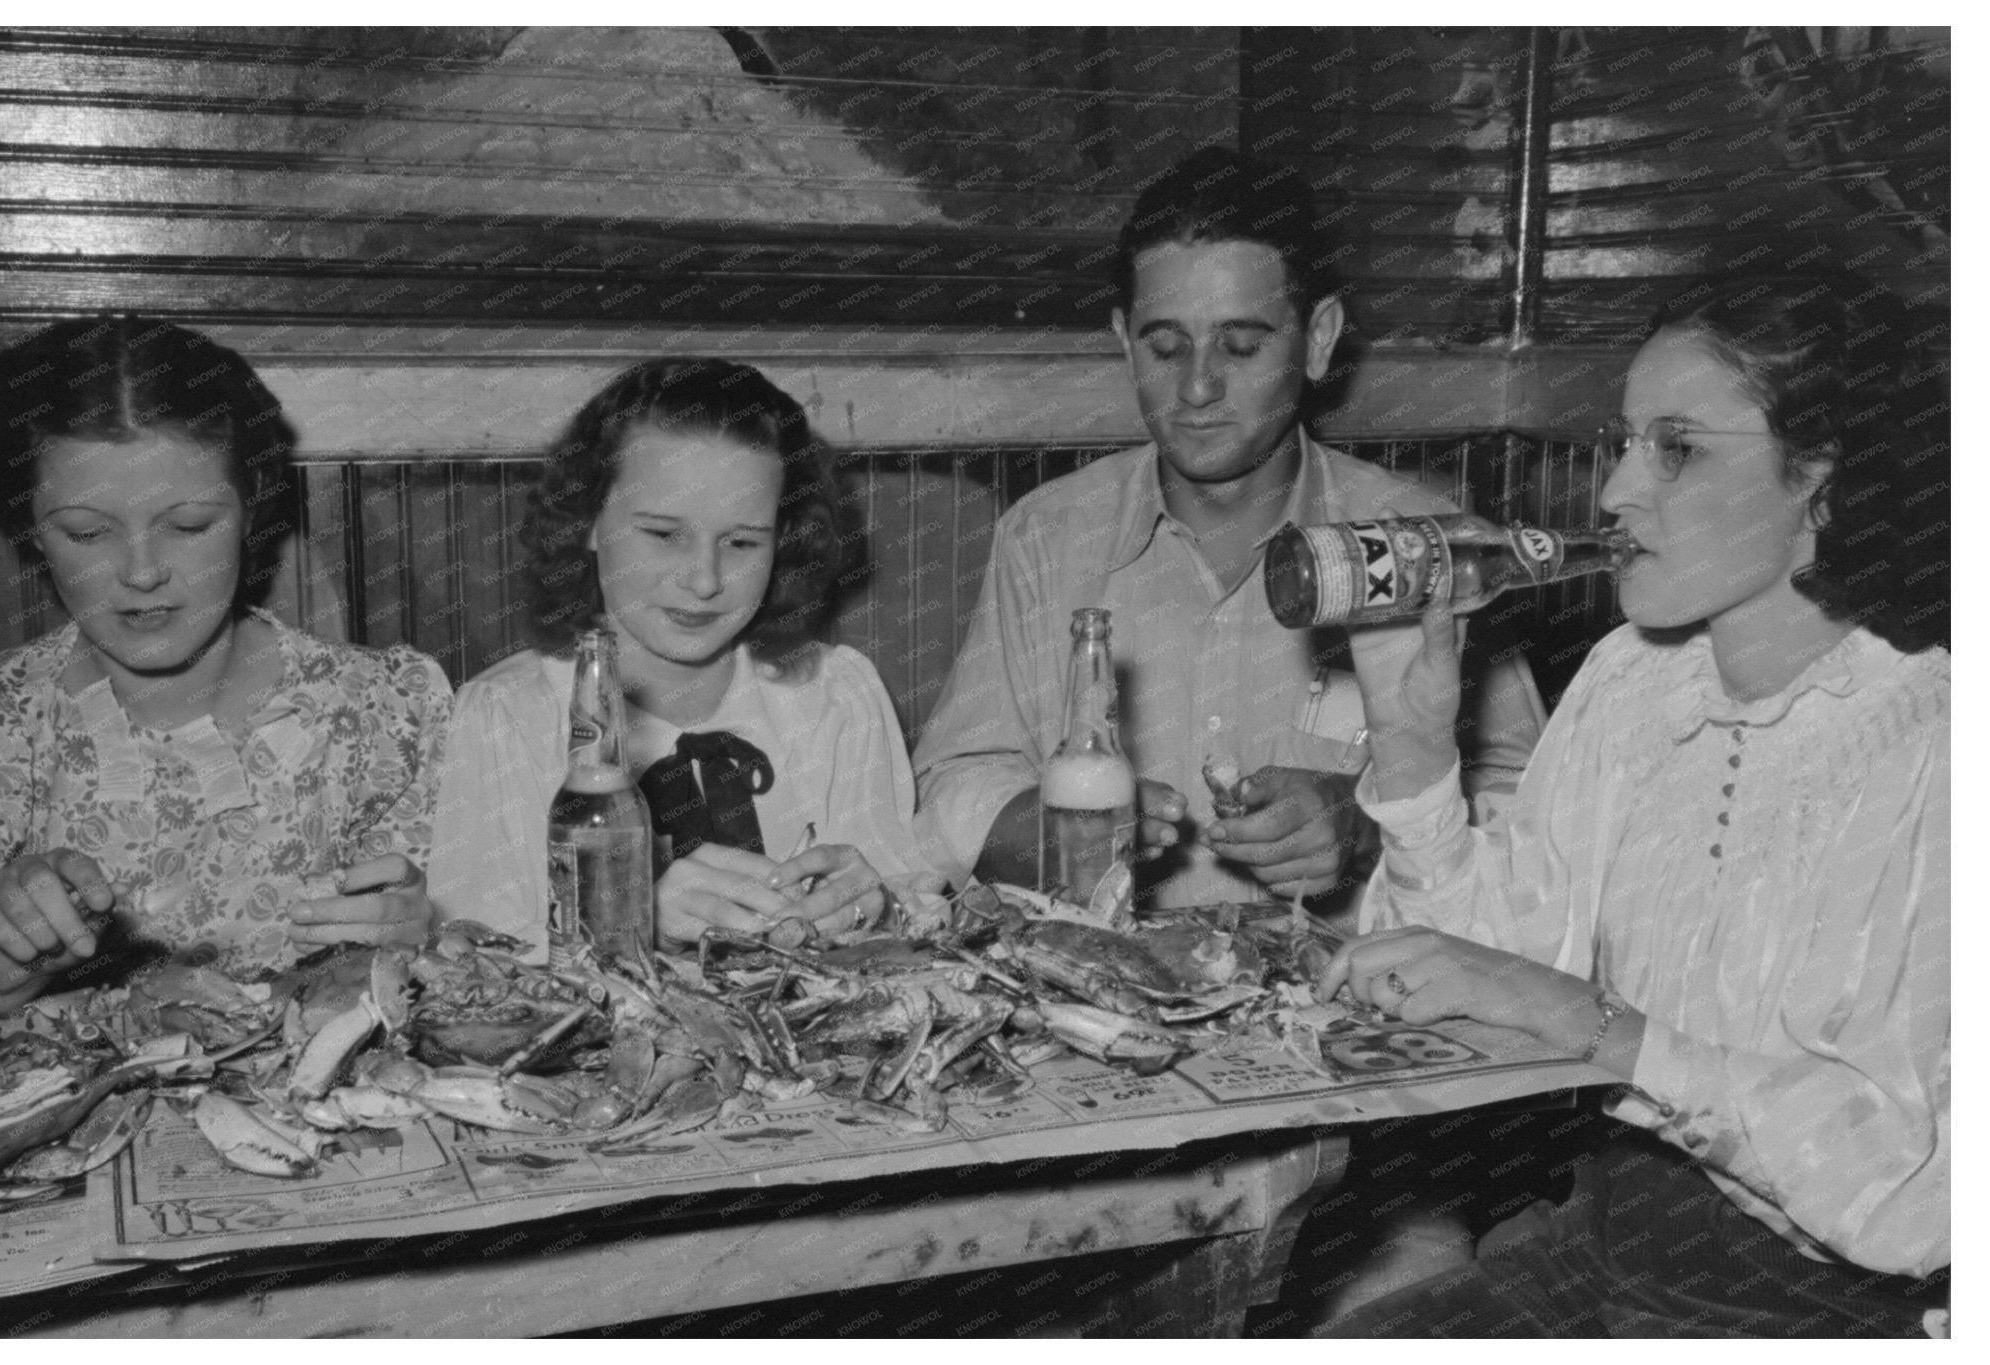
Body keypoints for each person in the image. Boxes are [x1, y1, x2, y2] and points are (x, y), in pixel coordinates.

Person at [1312, 271, 1949, 1337]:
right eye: (1620, 442)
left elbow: (1914, 1193)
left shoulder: (1932, 735)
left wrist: (1596, 1029)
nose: (1611, 492)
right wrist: (1416, 745)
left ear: (1820, 481)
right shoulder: (1632, 676)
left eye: (1676, 448)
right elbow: (1483, 983)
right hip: (1602, 1254)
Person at [914, 148, 1546, 914]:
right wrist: (1053, 831)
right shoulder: (1045, 539)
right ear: (1123, 340)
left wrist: (1370, 818)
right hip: (1101, 998)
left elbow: (1530, 816)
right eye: (1164, 346)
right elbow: (953, 784)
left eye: (1241, 346)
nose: (1198, 387)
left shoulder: (1425, 545)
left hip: (1357, 1009)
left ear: (1317, 340)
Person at [0, 317, 451, 1013]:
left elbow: (497, 962)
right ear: (27, 527)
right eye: (86, 531)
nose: (142, 572)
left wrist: (432, 933)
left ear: (253, 507)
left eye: (190, 524)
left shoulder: (388, 711)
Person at [429, 358, 943, 953]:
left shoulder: (839, 694)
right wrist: (624, 924)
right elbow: (469, 960)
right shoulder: (506, 716)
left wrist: (876, 906)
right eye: (664, 534)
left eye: (742, 541)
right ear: (587, 520)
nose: (704, 580)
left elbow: (913, 901)